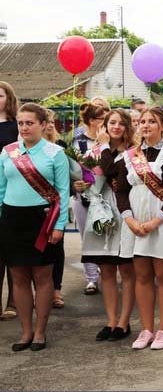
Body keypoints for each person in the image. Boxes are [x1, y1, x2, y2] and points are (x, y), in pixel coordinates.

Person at [115, 107, 163, 350]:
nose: (145, 125)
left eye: (152, 121)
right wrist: (130, 220)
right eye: (143, 121)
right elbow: (121, 191)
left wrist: (157, 220)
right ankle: (146, 329)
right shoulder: (130, 156)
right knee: (142, 276)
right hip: (135, 223)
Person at [0, 103, 69, 351]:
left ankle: (40, 332)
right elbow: (1, 189)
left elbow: (63, 192)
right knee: (18, 277)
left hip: (43, 220)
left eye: (30, 123)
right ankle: (26, 332)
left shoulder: (55, 153)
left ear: (43, 124)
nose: (24, 127)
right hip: (12, 219)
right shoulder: (8, 152)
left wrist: (59, 226)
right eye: (21, 123)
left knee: (42, 276)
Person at [79, 109, 137, 342]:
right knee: (107, 270)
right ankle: (111, 320)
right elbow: (88, 180)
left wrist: (103, 145)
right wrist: (81, 185)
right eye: (112, 122)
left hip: (125, 210)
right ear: (104, 125)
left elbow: (113, 171)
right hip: (101, 212)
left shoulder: (133, 151)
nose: (116, 127)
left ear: (127, 127)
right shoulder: (93, 152)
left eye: (121, 123)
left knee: (127, 269)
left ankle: (124, 322)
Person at [72, 103, 109, 296]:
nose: (107, 122)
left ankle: (107, 272)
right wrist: (77, 183)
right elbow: (74, 166)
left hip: (105, 195)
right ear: (93, 121)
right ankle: (91, 278)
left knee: (106, 235)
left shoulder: (110, 140)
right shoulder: (79, 141)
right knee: (86, 236)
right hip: (83, 195)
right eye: (103, 118)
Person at [43, 110, 67, 311]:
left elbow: (64, 184)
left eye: (53, 121)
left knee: (56, 249)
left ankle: (56, 290)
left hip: (55, 208)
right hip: (33, 209)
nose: (51, 125)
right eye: (47, 121)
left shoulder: (60, 147)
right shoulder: (21, 150)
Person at [0, 81, 19, 322]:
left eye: (0, 95)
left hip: (13, 190)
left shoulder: (17, 127)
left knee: (13, 250)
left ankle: (14, 301)